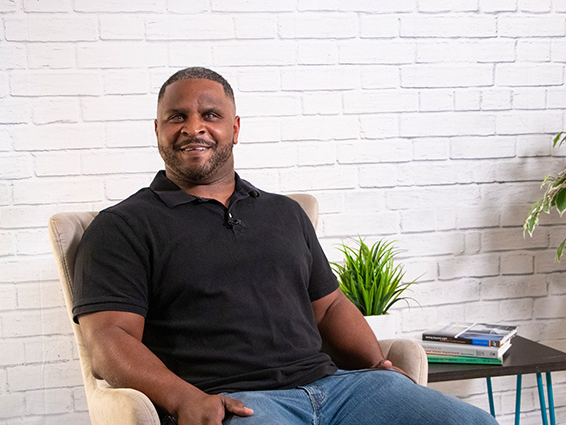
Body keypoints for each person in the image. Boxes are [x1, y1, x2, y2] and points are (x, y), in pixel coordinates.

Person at [72, 67, 498, 425]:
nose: (194, 127)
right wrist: (185, 399)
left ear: (234, 129)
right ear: (158, 130)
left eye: (211, 114)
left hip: (340, 390)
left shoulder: (284, 213)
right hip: (236, 403)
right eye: (176, 116)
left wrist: (375, 364)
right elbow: (108, 339)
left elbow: (329, 307)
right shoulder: (123, 226)